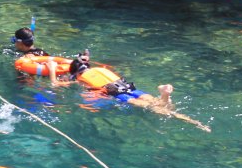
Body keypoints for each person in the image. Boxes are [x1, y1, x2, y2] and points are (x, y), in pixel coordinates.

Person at [62, 53, 211, 132]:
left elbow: (57, 84)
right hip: (129, 86)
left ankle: (188, 118)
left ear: (75, 72)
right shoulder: (101, 69)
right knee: (158, 104)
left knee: (156, 110)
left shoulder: (79, 79)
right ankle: (165, 95)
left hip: (116, 93)